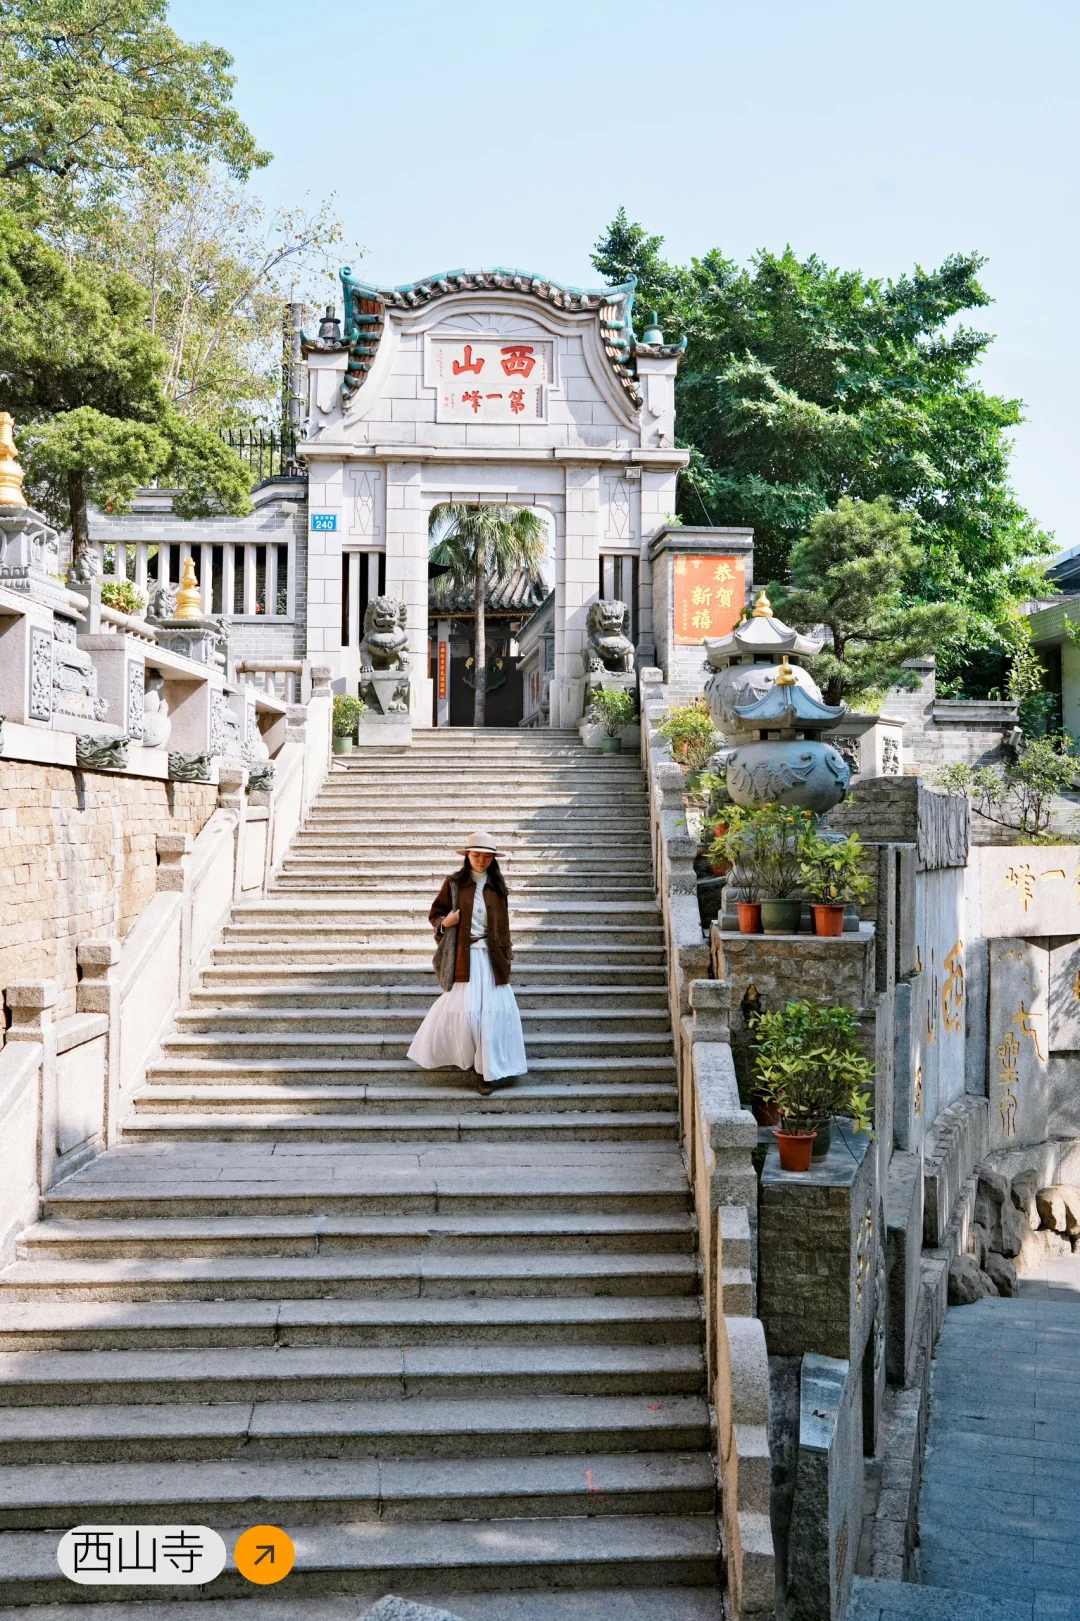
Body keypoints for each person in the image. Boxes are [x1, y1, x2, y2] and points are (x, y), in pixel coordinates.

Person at [407, 830, 527, 1096]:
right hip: (465, 957)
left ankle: (486, 1072)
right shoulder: (453, 883)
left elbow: (504, 927)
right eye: (476, 855)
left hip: (492, 959)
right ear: (467, 856)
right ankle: (470, 1060)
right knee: (469, 1013)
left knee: (493, 1016)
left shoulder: (498, 886)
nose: (481, 860)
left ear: (493, 859)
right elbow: (435, 914)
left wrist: (507, 955)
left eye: (487, 856)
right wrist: (445, 923)